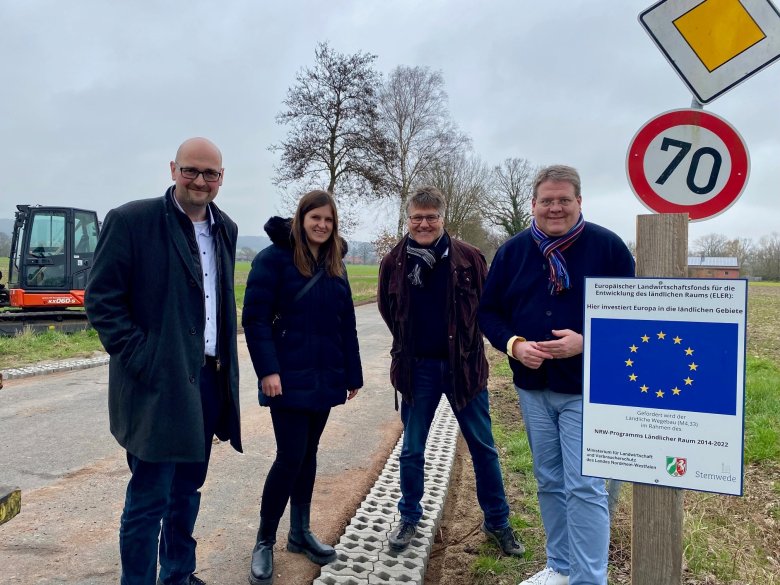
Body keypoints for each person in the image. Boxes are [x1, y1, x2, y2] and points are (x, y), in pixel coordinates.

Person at [85, 137, 242, 585]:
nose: (200, 181)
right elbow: (102, 302)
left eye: (210, 173)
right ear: (173, 169)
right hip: (157, 385)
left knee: (187, 491)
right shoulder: (132, 221)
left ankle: (178, 575)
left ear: (221, 178)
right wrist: (146, 358)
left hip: (209, 383)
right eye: (191, 170)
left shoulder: (225, 229)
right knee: (149, 498)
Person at [478, 165, 635, 585]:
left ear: (579, 201)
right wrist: (515, 345)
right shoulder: (513, 251)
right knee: (548, 481)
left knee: (584, 487)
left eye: (564, 199)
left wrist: (585, 341)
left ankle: (588, 578)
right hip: (533, 388)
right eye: (546, 200)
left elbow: (634, 316)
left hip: (586, 388)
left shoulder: (608, 248)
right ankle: (560, 566)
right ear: (533, 204)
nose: (555, 207)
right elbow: (488, 311)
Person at [377, 186, 524, 557]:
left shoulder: (470, 258)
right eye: (417, 217)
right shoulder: (393, 263)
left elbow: (489, 307)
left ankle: (498, 521)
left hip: (466, 368)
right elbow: (387, 310)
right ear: (407, 219)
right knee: (411, 450)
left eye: (431, 217)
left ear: (443, 218)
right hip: (417, 370)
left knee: (484, 449)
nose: (424, 223)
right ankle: (409, 516)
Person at [242, 190, 363, 585]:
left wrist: (353, 375)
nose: (322, 225)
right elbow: (256, 320)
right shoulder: (273, 259)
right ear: (302, 218)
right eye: (316, 218)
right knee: (290, 457)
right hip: (288, 378)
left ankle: (300, 532)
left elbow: (346, 322)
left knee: (309, 454)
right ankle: (264, 540)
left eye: (328, 220)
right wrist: (268, 371)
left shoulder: (335, 265)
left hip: (326, 375)